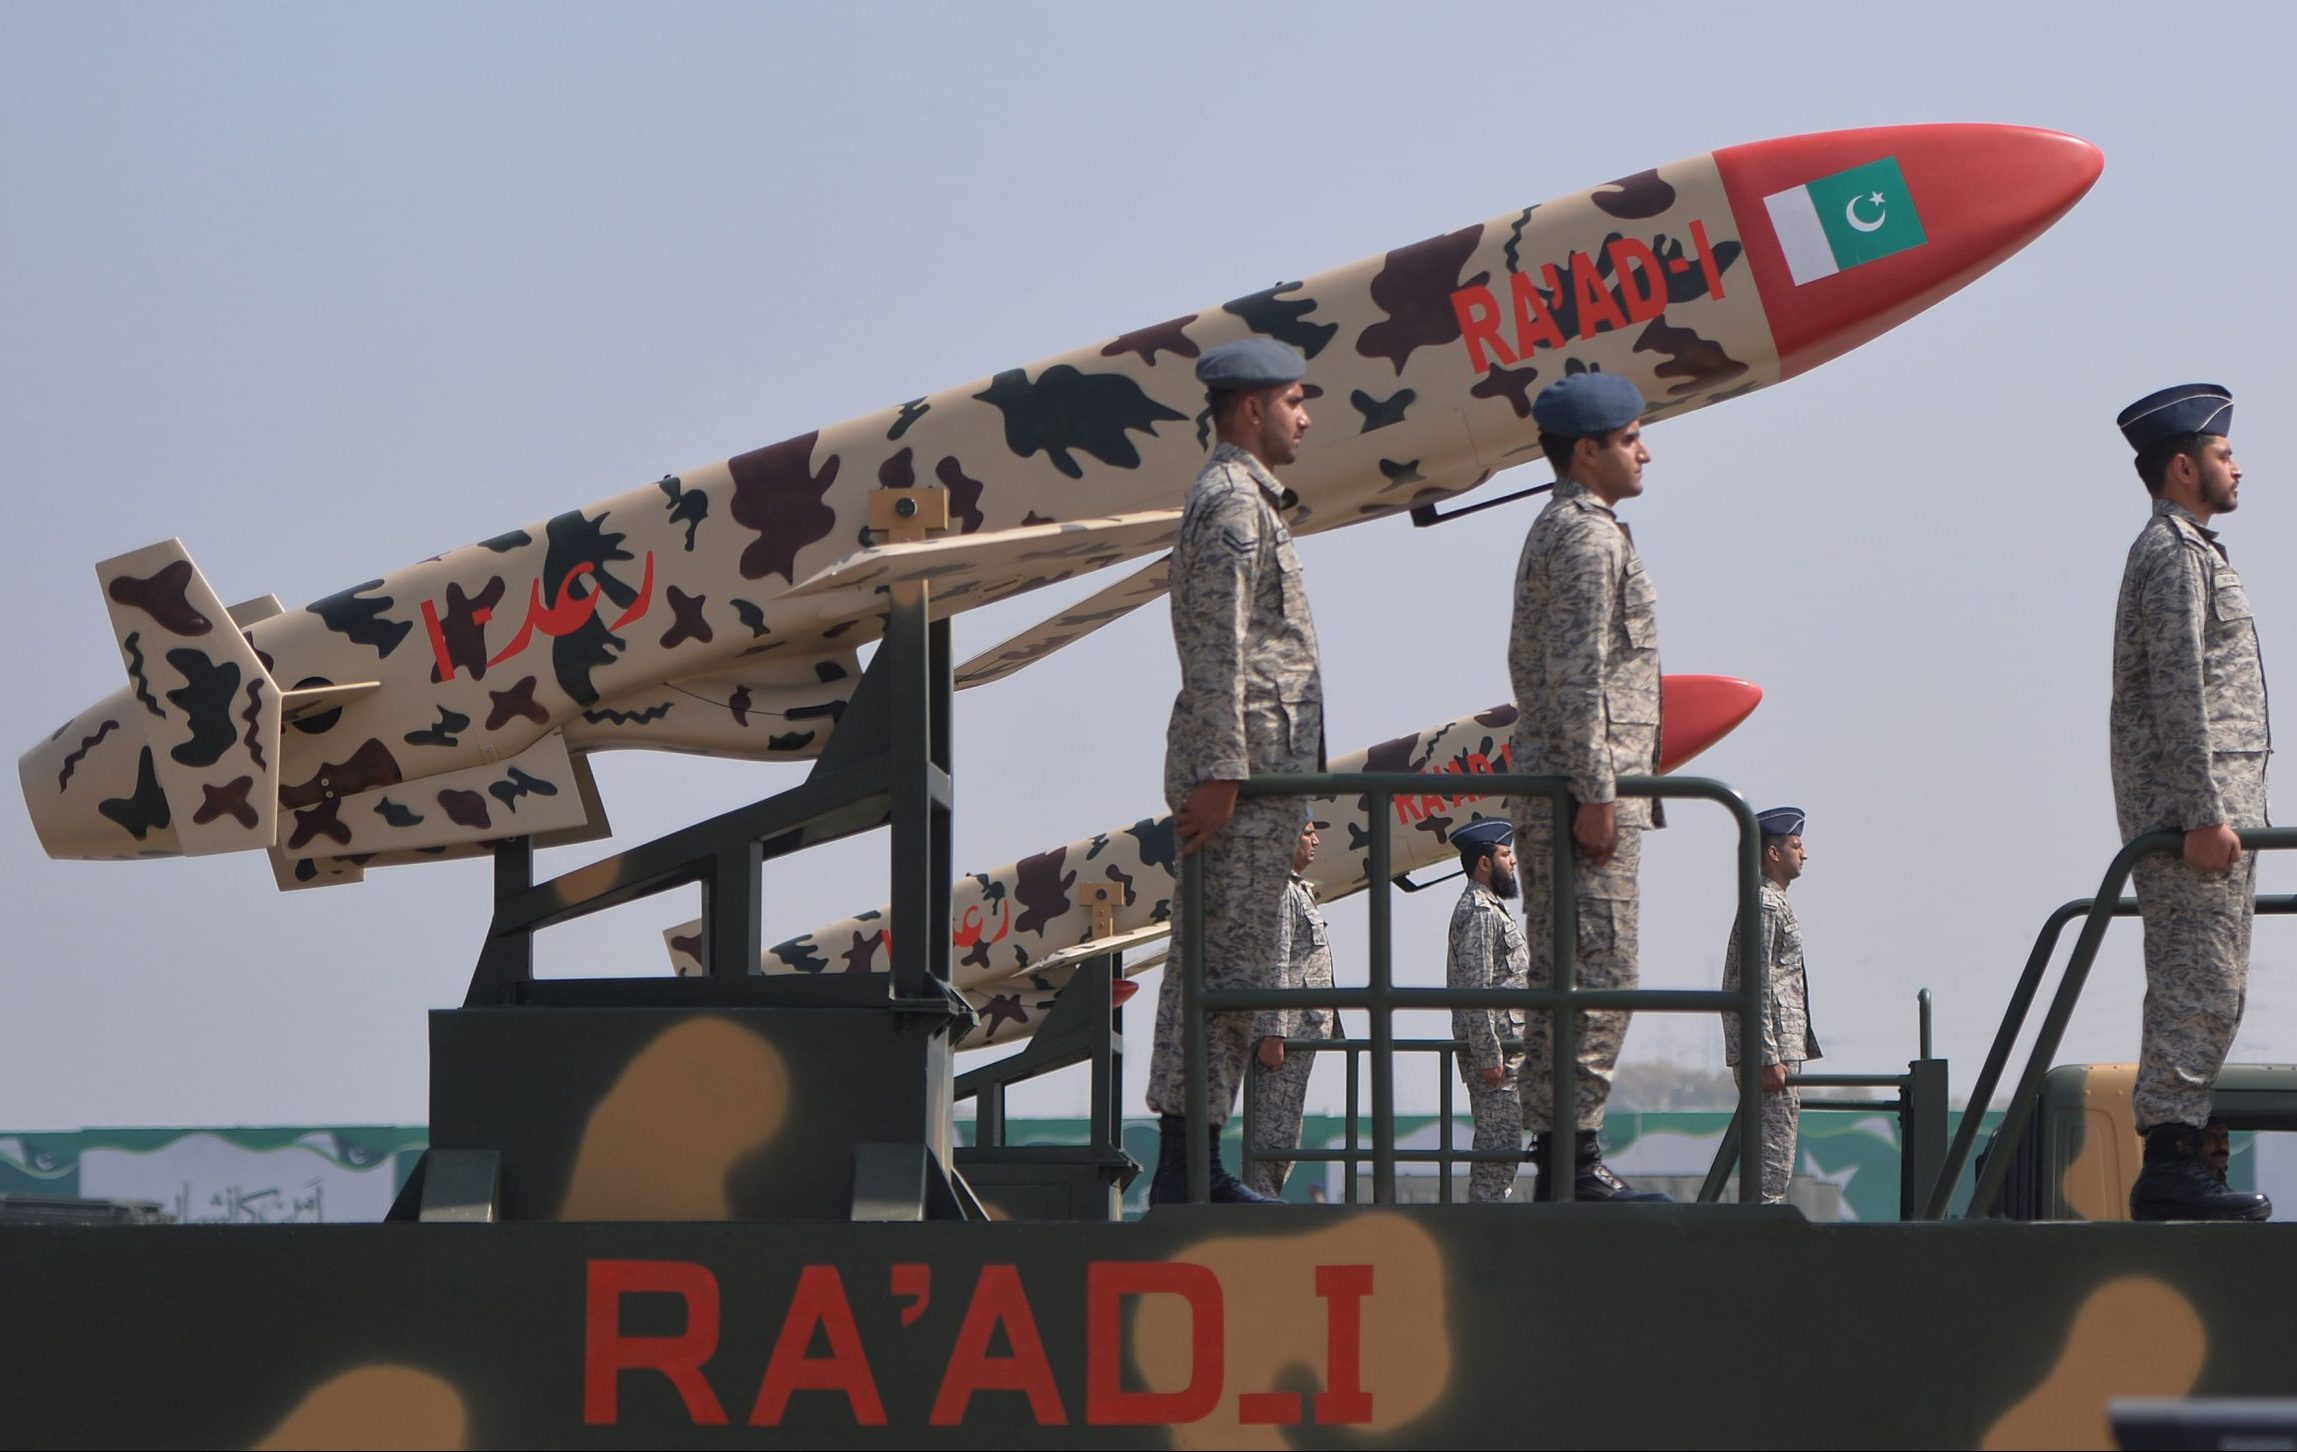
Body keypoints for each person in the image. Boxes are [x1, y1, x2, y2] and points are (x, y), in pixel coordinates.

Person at [1145, 336, 1322, 1206]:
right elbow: (1214, 649)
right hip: (1238, 791)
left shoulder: (1249, 501)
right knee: (1219, 974)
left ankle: (1193, 1168)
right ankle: (1190, 1173)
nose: (1305, 414)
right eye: (1294, 399)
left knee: (1228, 974)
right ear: (1251, 409)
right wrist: (1221, 771)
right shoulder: (1231, 506)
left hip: (1255, 786)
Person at [2110, 383, 2272, 1222]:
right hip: (2188, 821)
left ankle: (2185, 1158)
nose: (2235, 465)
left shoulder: (2194, 550)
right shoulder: (2172, 554)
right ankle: (2170, 1166)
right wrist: (2205, 813)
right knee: (2196, 984)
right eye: (2221, 454)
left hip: (2209, 817)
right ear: (2182, 468)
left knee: (2216, 984)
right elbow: (2179, 691)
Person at [1508, 371, 1668, 1202]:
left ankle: (1561, 1156)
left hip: (1573, 786)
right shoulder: (1586, 537)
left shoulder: (1576, 528)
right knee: (1597, 972)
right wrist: (1598, 794)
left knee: (1568, 973)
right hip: (1580, 796)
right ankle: (1570, 1158)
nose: (1644, 450)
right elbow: (1579, 678)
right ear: (1587, 450)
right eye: (1630, 436)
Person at [1720, 806, 1824, 1206]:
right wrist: (1766, 1055)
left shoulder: (1773, 902)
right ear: (1773, 853)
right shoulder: (1765, 904)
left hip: (1780, 1047)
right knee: (1771, 1162)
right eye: (1796, 846)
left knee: (1776, 1156)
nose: (1805, 854)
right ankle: (1761, 1234)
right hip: (1772, 1050)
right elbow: (1756, 981)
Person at [1245, 815, 1338, 1200]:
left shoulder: (1296, 890)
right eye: (1307, 832)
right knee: (1273, 1134)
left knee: (1284, 1133)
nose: (1315, 840)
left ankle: (1262, 1205)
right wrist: (1273, 1032)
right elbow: (1274, 962)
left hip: (1300, 1029)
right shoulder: (1281, 892)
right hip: (1286, 1035)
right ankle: (1258, 1213)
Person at [1446, 819, 1530, 1202]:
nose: (1512, 862)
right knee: (1497, 1151)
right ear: (1484, 862)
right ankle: (1484, 1227)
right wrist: (1488, 1054)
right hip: (1498, 1059)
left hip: (1510, 1054)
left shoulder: (1493, 910)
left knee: (1506, 1145)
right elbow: (1475, 989)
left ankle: (1490, 1221)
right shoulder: (1480, 912)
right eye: (1505, 854)